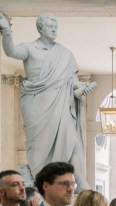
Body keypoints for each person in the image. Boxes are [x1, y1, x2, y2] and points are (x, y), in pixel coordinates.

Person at [0, 13, 96, 190]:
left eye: (56, 26)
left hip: (61, 106)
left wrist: (80, 88)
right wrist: (6, 31)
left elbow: (73, 82)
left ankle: (84, 187)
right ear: (40, 28)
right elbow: (11, 51)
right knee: (38, 150)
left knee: (73, 142)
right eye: (50, 25)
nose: (54, 29)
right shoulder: (30, 48)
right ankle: (44, 184)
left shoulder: (65, 54)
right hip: (37, 107)